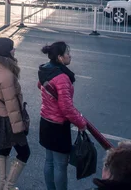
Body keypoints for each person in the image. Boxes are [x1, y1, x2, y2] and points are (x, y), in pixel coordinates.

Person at [38, 41, 86, 190]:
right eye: (67, 53)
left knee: (49, 161)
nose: (70, 56)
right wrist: (81, 123)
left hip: (45, 121)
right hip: (58, 126)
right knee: (60, 165)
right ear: (59, 57)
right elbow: (66, 107)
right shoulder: (62, 78)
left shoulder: (45, 69)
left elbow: (40, 86)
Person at [0, 37, 30, 190]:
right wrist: (19, 127)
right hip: (9, 119)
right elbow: (12, 104)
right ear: (6, 51)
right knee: (24, 152)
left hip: (0, 117)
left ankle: (2, 184)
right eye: (12, 48)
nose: (14, 50)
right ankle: (9, 186)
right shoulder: (6, 74)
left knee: (4, 149)